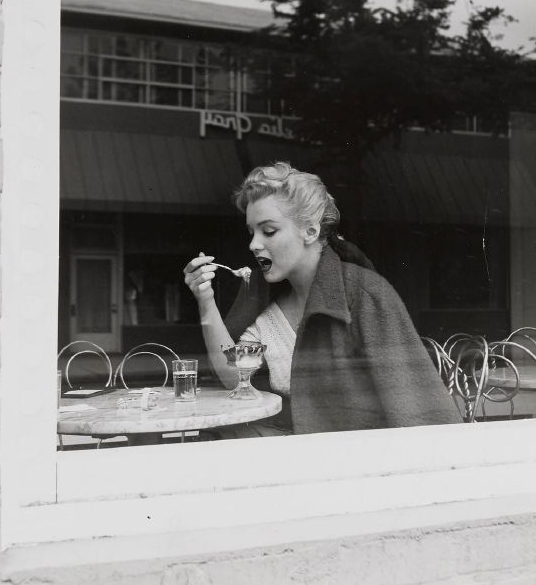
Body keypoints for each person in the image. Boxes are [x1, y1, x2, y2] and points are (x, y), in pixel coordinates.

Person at [183, 162, 459, 436]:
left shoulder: (364, 294)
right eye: (251, 232)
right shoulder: (264, 304)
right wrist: (205, 300)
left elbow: (416, 408)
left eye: (268, 231)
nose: (253, 244)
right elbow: (236, 378)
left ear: (311, 232)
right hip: (290, 448)